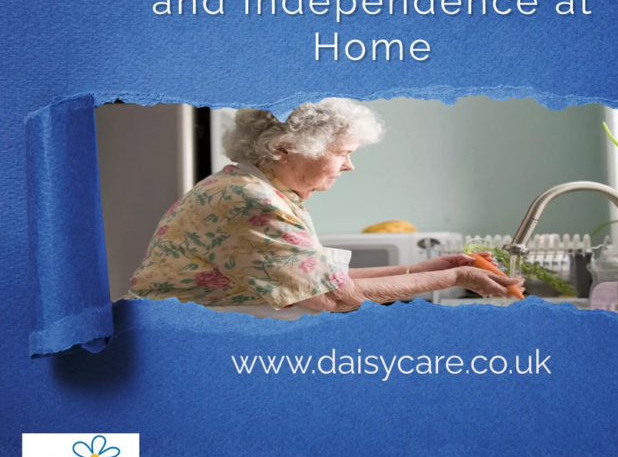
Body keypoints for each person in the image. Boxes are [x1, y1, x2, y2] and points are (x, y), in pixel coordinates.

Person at [127, 98, 524, 317]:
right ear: (286, 149)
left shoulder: (256, 188)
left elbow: (317, 279)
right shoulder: (251, 200)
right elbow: (332, 298)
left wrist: (420, 269)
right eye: (343, 153)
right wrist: (454, 278)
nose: (349, 165)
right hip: (176, 348)